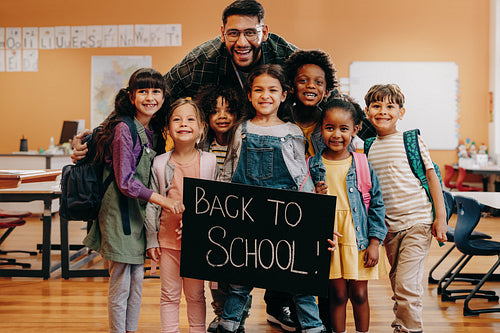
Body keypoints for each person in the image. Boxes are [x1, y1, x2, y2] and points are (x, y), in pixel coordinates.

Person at [218, 64, 326, 333]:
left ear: (284, 95)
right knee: (239, 280)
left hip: (286, 218)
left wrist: (313, 213)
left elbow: (301, 176)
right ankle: (228, 324)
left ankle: (313, 327)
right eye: (258, 90)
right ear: (250, 96)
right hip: (246, 217)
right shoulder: (240, 130)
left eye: (272, 90)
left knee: (298, 278)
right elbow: (229, 172)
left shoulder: (292, 132)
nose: (265, 95)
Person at [82, 68, 185, 333]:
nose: (150, 97)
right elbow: (126, 181)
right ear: (131, 96)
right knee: (121, 280)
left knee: (137, 278)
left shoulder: (153, 131)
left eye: (156, 92)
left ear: (163, 97)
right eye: (143, 91)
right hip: (118, 213)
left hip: (137, 214)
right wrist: (163, 201)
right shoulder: (122, 129)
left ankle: (130, 330)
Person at [363, 84, 447, 333]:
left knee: (406, 285)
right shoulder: (368, 147)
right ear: (367, 111)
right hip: (389, 228)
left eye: (390, 106)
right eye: (377, 106)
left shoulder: (411, 140)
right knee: (398, 283)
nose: (383, 111)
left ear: (401, 111)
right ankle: (403, 325)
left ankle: (410, 329)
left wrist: (440, 217)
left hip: (418, 222)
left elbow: (432, 178)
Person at [308, 96, 387, 333]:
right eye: (329, 128)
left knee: (360, 294)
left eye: (344, 129)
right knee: (338, 294)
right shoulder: (311, 164)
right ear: (320, 129)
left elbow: (377, 205)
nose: (336, 135)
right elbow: (304, 208)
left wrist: (375, 242)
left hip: (358, 238)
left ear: (355, 129)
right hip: (330, 240)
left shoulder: (362, 163)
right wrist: (315, 195)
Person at [144, 98, 218, 333]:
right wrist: (151, 239)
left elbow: (216, 204)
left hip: (198, 244)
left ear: (202, 127)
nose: (183, 124)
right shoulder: (159, 163)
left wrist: (199, 225)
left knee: (196, 295)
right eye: (177, 119)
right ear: (167, 129)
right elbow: (152, 204)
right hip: (167, 244)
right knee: (169, 295)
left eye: (190, 119)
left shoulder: (209, 161)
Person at [194, 85, 251, 333]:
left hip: (239, 215)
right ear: (206, 117)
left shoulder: (244, 143)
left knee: (240, 273)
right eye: (215, 111)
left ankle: (238, 317)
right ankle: (220, 314)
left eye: (229, 110)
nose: (222, 116)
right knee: (215, 274)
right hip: (210, 218)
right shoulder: (201, 145)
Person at [164, 0, 297, 101]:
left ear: (264, 33)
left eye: (250, 33)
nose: (242, 43)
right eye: (233, 33)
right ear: (223, 33)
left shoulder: (289, 59)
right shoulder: (201, 61)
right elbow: (159, 95)